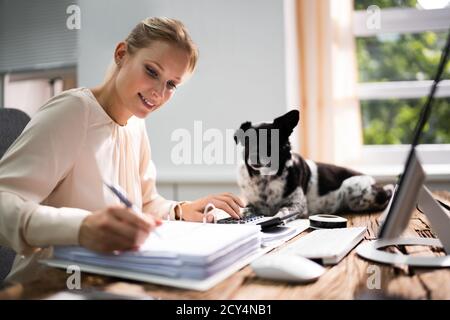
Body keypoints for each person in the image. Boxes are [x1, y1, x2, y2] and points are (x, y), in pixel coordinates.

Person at [0, 17, 244, 283]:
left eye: (172, 84)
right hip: (47, 286)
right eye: (152, 71)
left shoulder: (135, 124)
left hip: (108, 281)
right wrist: (80, 228)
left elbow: (145, 203)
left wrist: (180, 210)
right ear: (121, 54)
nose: (159, 93)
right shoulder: (73, 112)